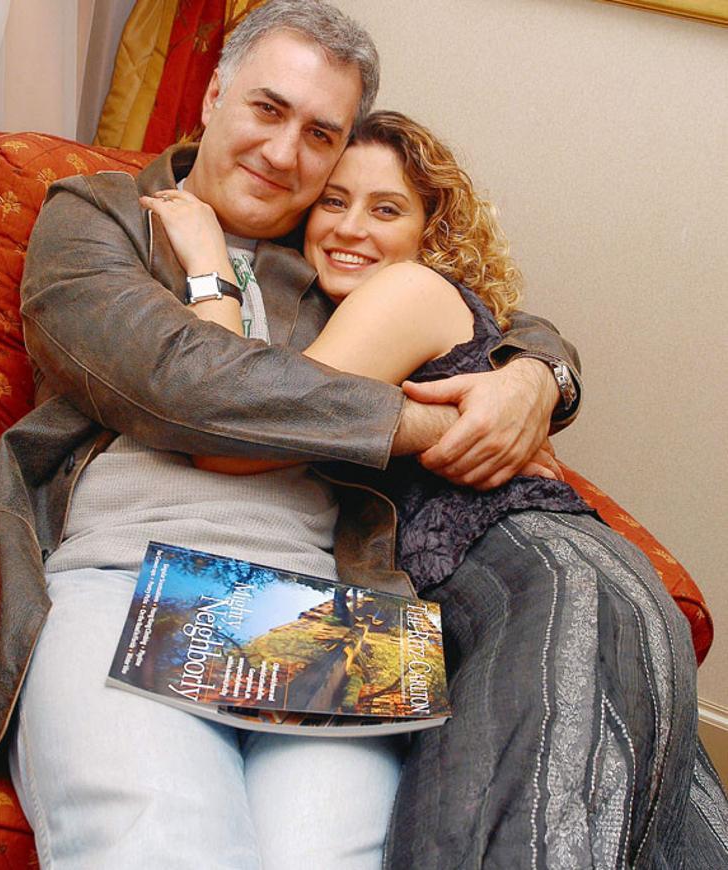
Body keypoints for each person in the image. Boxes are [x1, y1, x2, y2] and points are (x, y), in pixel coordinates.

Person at [0, 2, 584, 868]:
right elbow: (195, 388)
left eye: (319, 135)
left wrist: (539, 375)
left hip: (325, 609)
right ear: (213, 96)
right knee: (163, 850)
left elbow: (494, 313)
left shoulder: (340, 245)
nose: (282, 153)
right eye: (267, 109)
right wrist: (428, 424)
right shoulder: (100, 216)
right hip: (130, 574)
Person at [145, 108, 728, 868]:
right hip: (447, 620)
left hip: (548, 580)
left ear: (431, 230)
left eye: (386, 209)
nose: (352, 227)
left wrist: (209, 270)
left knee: (501, 843)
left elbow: (233, 434)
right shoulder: (337, 315)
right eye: (333, 201)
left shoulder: (407, 291)